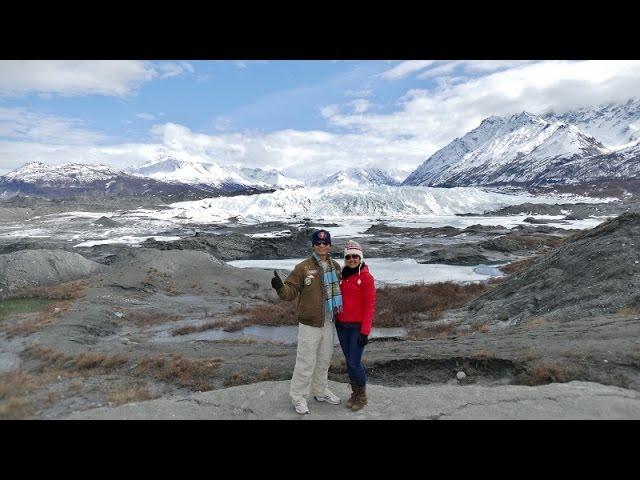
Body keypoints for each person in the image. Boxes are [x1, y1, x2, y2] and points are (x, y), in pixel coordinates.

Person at [271, 229, 343, 415]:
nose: (322, 246)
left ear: (329, 244)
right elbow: (290, 291)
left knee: (324, 359)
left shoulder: (335, 266)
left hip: (328, 321)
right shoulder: (303, 268)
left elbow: (341, 292)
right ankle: (298, 397)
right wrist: (280, 287)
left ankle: (320, 391)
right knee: (305, 361)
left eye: (325, 242)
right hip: (309, 323)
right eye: (318, 243)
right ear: (313, 245)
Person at [335, 240, 376, 411]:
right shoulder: (342, 276)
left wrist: (365, 332)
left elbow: (370, 306)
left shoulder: (366, 277)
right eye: (349, 257)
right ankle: (354, 392)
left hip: (357, 327)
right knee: (349, 361)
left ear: (360, 258)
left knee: (354, 363)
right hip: (341, 326)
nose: (352, 259)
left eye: (355, 256)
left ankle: (362, 396)